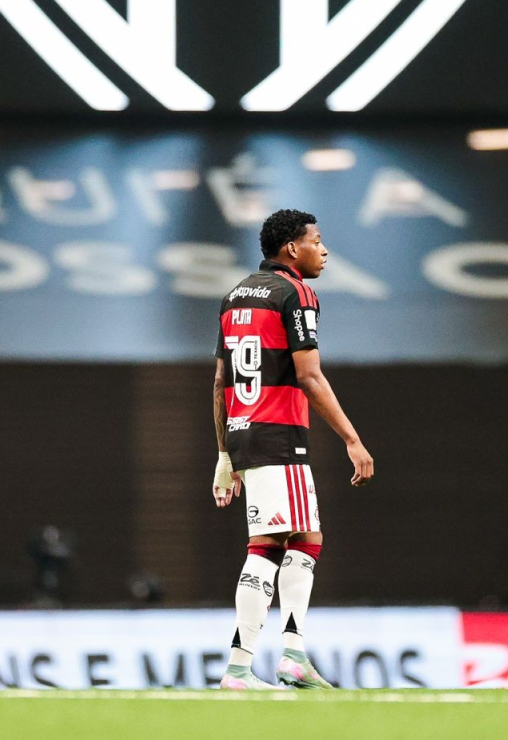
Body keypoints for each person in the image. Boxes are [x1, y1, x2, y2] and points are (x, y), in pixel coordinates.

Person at [212, 209, 375, 690]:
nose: (323, 251)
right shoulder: (296, 292)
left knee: (288, 540)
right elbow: (309, 375)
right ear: (291, 249)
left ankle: (272, 660)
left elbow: (222, 380)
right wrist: (352, 439)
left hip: (244, 431)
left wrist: (224, 455)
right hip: (279, 430)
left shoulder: (234, 295)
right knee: (286, 542)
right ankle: (263, 663)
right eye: (317, 241)